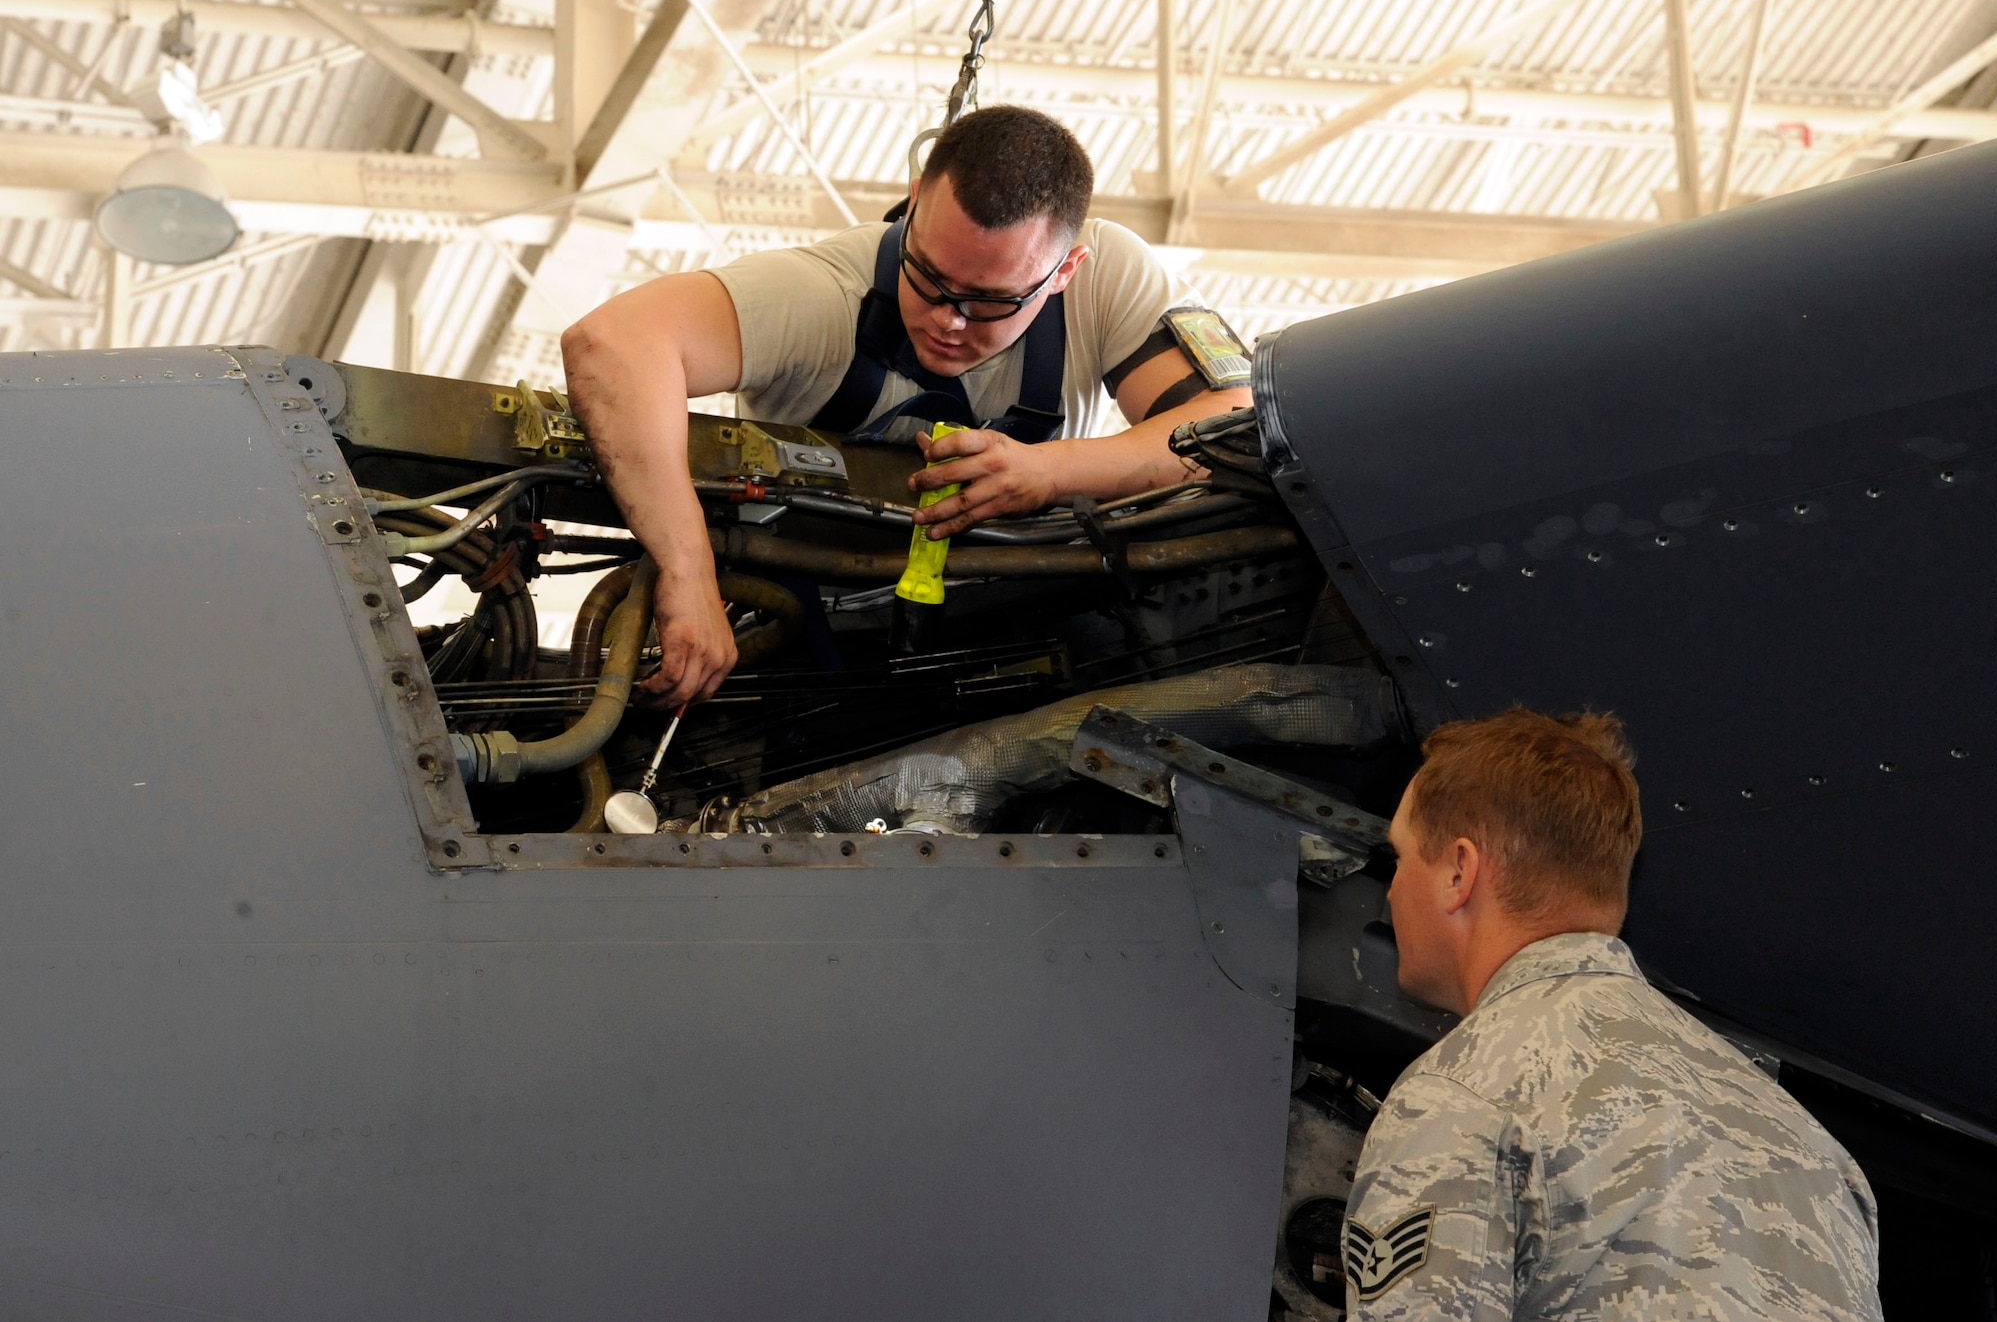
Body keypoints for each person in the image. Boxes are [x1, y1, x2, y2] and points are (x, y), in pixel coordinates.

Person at [561, 104, 1252, 705]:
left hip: (1028, 629)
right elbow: (612, 343)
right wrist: (688, 576)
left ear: (1066, 270)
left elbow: (1236, 420)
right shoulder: (824, 296)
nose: (949, 320)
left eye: (989, 301)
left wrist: (1054, 470)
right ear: (915, 200)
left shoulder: (1113, 280)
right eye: (929, 278)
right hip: (802, 647)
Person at [1345, 706, 1882, 1320]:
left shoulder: (1465, 1094)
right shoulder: (1811, 1150)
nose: (1390, 889)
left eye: (1401, 858)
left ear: (1460, 873)